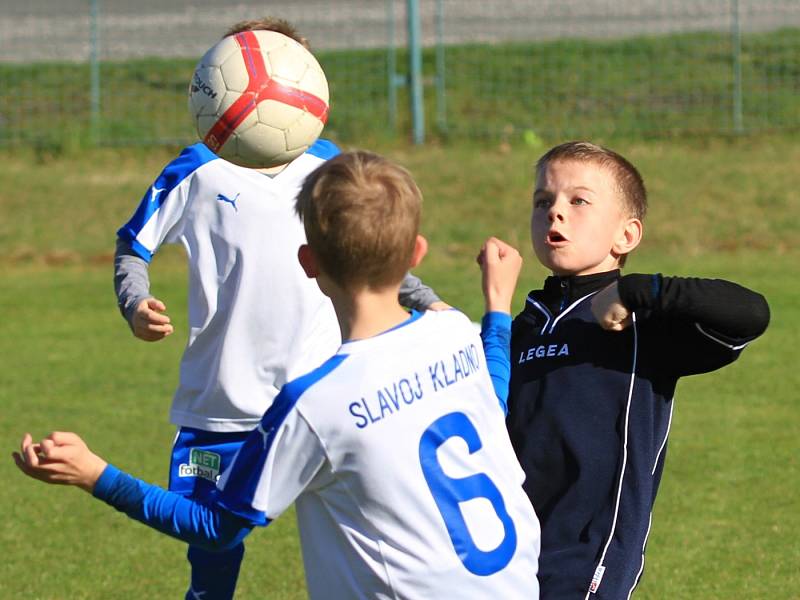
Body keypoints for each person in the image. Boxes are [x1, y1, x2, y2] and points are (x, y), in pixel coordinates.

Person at [17, 150, 541, 599]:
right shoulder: (453, 332)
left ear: (308, 263)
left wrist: (93, 474)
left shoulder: (316, 404)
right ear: (416, 253)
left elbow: (217, 526)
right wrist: (496, 309)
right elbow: (493, 395)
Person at [113, 18, 445, 600]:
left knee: (376, 529)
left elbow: (367, 253)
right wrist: (136, 303)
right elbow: (132, 247)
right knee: (212, 545)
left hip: (325, 399)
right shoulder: (194, 170)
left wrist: (426, 299)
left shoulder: (329, 166)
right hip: (223, 403)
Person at [489, 141, 770, 598]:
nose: (555, 213)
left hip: (589, 554)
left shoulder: (644, 325)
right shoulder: (528, 324)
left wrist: (640, 291)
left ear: (627, 236)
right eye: (544, 201)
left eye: (578, 201)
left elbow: (750, 313)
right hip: (507, 547)